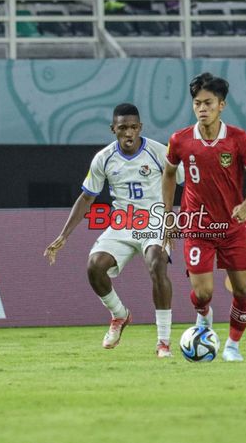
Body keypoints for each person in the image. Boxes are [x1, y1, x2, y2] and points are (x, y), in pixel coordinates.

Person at [45, 103, 184, 358]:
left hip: (153, 222)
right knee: (94, 266)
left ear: (140, 128)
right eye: (122, 128)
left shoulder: (157, 151)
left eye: (133, 127)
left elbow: (181, 179)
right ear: (113, 129)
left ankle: (163, 341)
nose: (128, 133)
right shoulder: (104, 158)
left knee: (157, 262)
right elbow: (87, 197)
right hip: (121, 224)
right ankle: (119, 315)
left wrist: (170, 217)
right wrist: (63, 235)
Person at [162, 73, 246, 362]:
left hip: (232, 228)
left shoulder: (238, 139)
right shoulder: (180, 140)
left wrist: (245, 206)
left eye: (208, 103)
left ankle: (232, 346)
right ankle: (203, 317)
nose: (202, 108)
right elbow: (169, 174)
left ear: (222, 105)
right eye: (197, 103)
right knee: (203, 293)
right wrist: (169, 215)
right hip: (197, 226)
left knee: (243, 289)